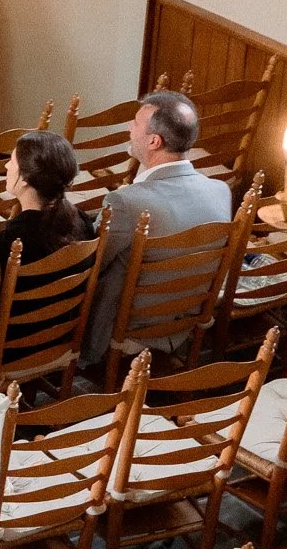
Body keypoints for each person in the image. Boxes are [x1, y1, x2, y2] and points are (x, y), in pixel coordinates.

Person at [81, 91, 233, 364]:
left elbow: (90, 265)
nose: (130, 128)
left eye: (136, 123)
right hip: (183, 327)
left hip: (126, 330)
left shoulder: (126, 202)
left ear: (154, 141)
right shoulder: (221, 191)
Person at [0, 131, 96, 361]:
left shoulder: (5, 243)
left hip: (9, 351)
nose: (6, 166)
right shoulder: (84, 223)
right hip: (57, 339)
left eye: (12, 161)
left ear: (25, 178)